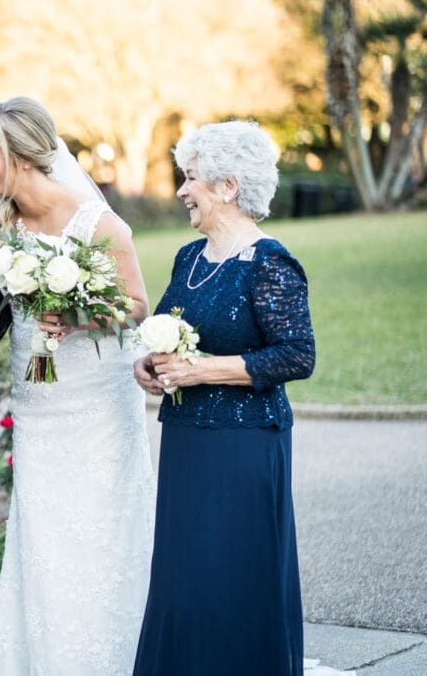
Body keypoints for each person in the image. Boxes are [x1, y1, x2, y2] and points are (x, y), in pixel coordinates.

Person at [0, 96, 156, 674]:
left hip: (97, 401)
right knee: (44, 534)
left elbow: (137, 307)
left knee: (102, 533)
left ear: (23, 155)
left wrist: (80, 316)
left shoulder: (98, 222)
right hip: (38, 402)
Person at [132, 121, 315, 675]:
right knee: (185, 576)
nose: (183, 190)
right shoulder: (189, 257)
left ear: (228, 186)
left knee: (232, 572)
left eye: (192, 179)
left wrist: (202, 370)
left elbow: (296, 355)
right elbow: (168, 326)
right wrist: (151, 365)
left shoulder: (269, 261)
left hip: (244, 444)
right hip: (187, 439)